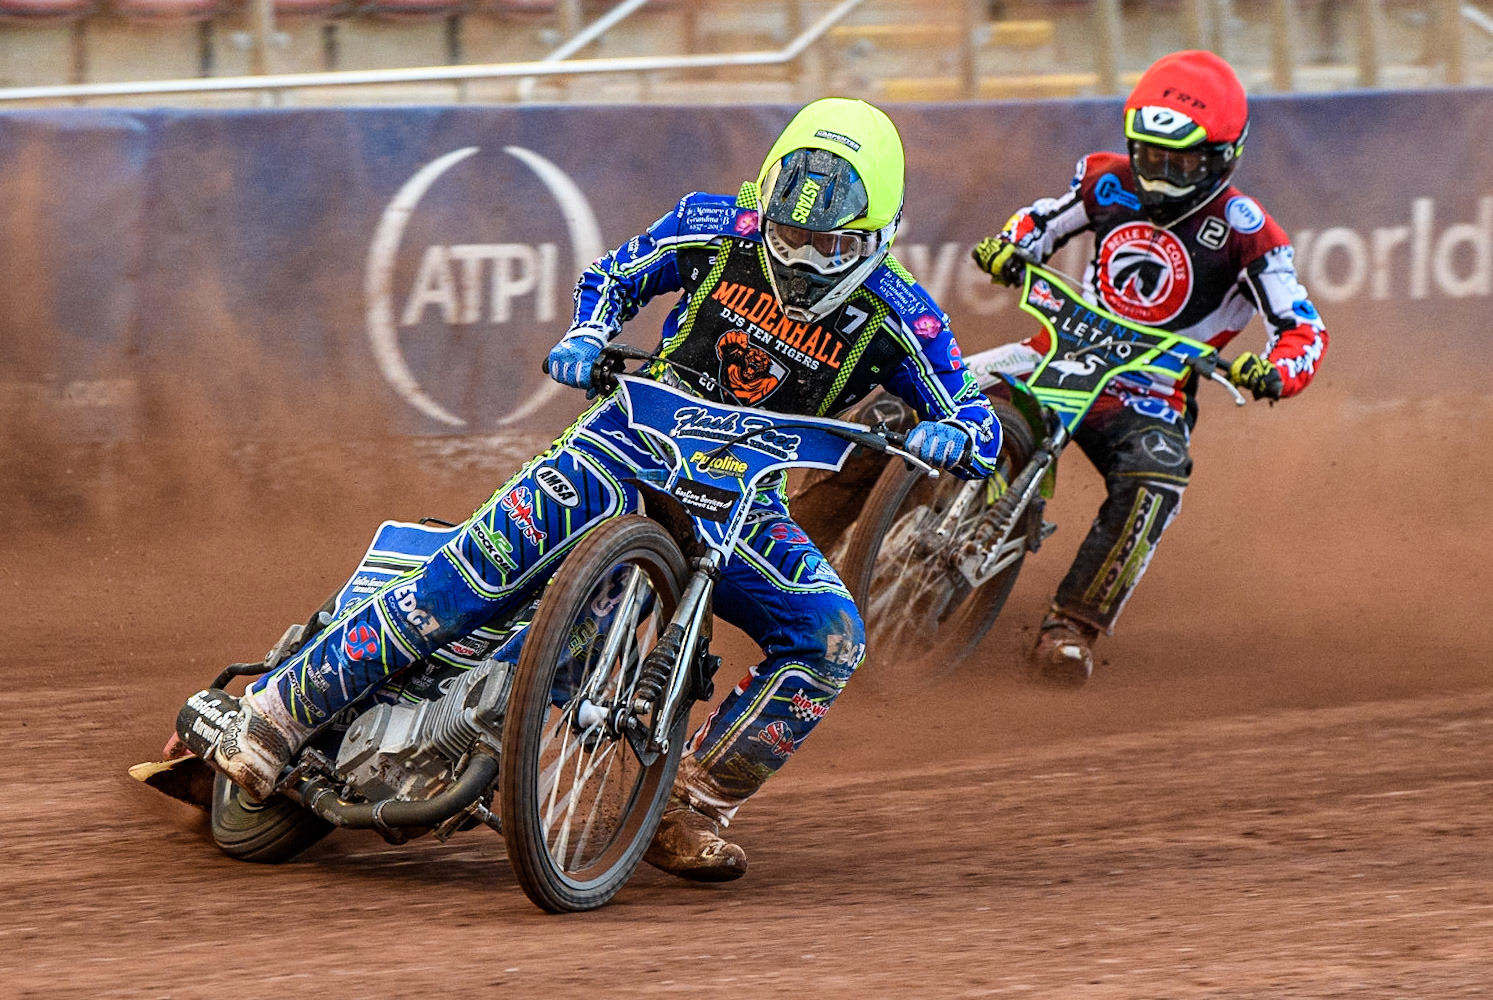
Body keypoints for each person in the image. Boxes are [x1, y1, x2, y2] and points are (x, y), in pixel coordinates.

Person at [203, 98, 1002, 881]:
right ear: (766, 201)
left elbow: (978, 419)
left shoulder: (906, 316)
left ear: (878, 237)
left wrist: (954, 435)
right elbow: (614, 274)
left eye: (826, 244)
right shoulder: (713, 225)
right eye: (788, 232)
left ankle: (693, 802)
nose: (798, 258)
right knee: (463, 579)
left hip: (744, 497)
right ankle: (280, 712)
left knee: (832, 638)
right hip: (622, 443)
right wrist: (588, 333)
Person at [969, 50, 1328, 687]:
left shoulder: (1252, 234)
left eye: (1179, 162)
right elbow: (1038, 222)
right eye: (1150, 155)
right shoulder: (1106, 180)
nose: (1159, 175)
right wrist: (1011, 246)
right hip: (1060, 353)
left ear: (1223, 156)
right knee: (928, 390)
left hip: (1148, 394)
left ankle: (1070, 626)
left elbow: (1303, 328)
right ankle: (823, 523)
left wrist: (1274, 371)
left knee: (1157, 474)